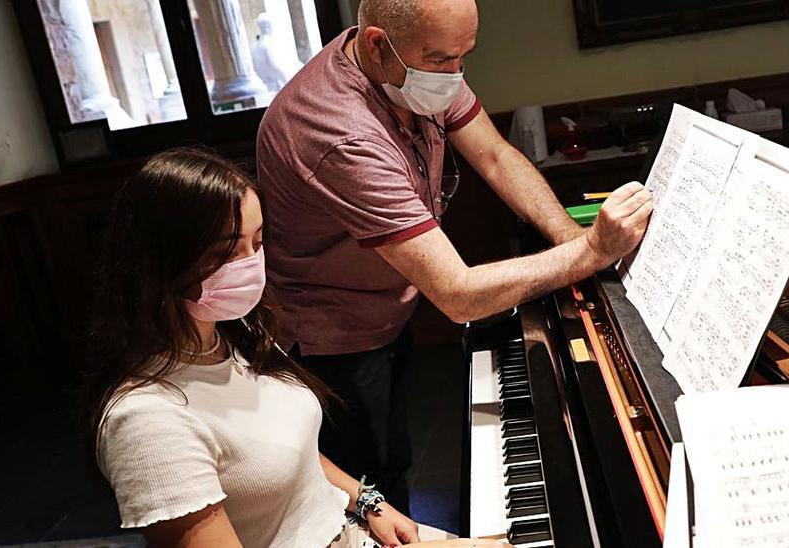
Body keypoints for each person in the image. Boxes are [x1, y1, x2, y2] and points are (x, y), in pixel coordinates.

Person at [254, 0, 653, 512]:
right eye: (443, 60)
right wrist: (593, 250)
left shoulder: (413, 65)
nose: (455, 73)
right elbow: (459, 295)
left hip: (384, 302)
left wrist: (566, 237)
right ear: (377, 43)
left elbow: (495, 154)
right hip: (329, 335)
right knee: (369, 487)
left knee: (392, 457)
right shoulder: (338, 130)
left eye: (465, 56)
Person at [80, 148, 509, 548]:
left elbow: (288, 451)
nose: (251, 263)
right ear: (162, 261)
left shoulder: (236, 336)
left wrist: (367, 502)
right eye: (228, 251)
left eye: (259, 241)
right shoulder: (146, 421)